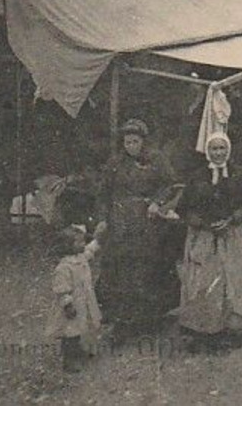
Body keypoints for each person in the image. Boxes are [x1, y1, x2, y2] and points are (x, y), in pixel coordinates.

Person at [97, 118, 181, 340]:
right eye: (127, 142)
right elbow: (104, 193)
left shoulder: (157, 160)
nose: (131, 146)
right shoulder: (115, 163)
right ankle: (121, 317)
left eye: (135, 141)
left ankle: (150, 317)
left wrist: (157, 202)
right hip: (121, 221)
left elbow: (170, 184)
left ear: (143, 141)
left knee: (148, 266)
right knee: (120, 266)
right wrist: (103, 219)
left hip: (147, 221)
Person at [176, 132, 242, 348]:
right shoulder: (198, 176)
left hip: (232, 235)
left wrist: (232, 220)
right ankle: (205, 327)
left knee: (232, 280)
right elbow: (183, 207)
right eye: (214, 149)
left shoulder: (238, 175)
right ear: (208, 151)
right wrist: (200, 223)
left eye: (222, 149)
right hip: (204, 236)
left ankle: (230, 327)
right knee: (204, 282)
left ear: (228, 151)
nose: (218, 153)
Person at [47, 223, 104, 372]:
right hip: (73, 305)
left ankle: (79, 351)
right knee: (70, 332)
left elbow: (90, 251)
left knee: (80, 328)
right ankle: (69, 361)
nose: (83, 244)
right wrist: (67, 305)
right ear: (68, 245)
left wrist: (99, 239)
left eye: (83, 241)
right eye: (79, 242)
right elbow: (62, 290)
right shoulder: (64, 267)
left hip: (84, 301)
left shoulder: (80, 257)